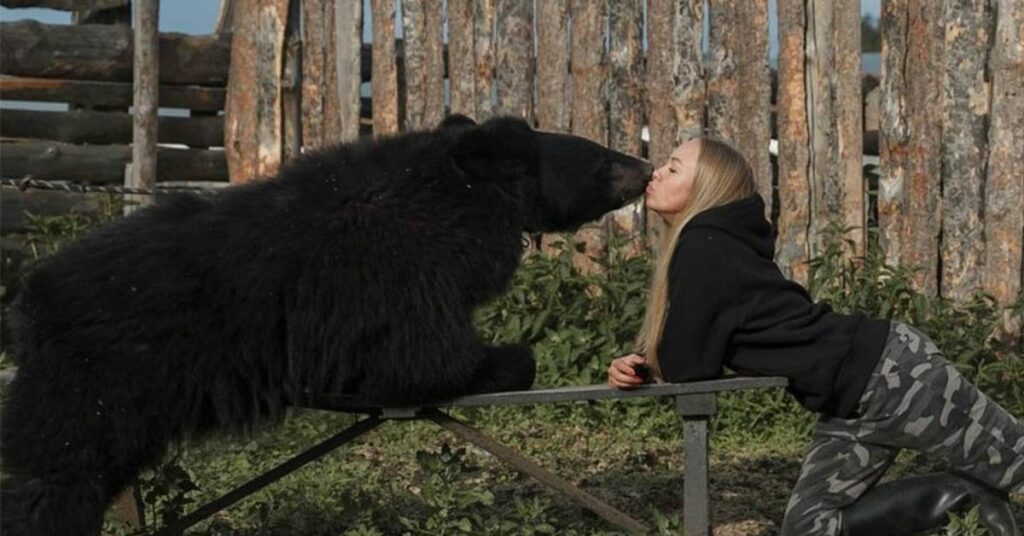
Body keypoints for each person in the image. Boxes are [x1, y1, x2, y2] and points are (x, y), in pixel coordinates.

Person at [606, 136, 1022, 535]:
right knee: (809, 527)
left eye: (673, 168)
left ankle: (974, 489)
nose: (655, 173)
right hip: (850, 402)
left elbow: (689, 364)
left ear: (705, 189)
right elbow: (695, 344)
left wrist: (651, 363)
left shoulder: (704, 245)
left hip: (894, 377)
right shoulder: (711, 244)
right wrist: (640, 361)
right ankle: (963, 494)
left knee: (1017, 462)